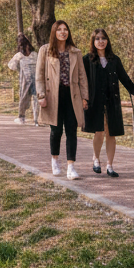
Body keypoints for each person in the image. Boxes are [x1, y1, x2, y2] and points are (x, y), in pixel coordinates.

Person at [36, 21, 89, 179]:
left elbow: (82, 76)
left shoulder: (75, 52)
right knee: (56, 130)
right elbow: (39, 75)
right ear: (54, 32)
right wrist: (41, 95)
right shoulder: (45, 50)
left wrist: (85, 97)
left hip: (72, 96)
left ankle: (71, 166)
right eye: (59, 30)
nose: (63, 32)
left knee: (71, 130)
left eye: (65, 29)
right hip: (53, 96)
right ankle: (55, 160)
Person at [82, 29, 134, 177]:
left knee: (111, 133)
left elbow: (125, 79)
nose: (101, 41)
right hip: (95, 102)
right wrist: (83, 98)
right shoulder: (87, 60)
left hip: (112, 102)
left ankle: (110, 166)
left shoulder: (114, 60)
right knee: (99, 131)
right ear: (93, 41)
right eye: (97, 38)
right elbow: (82, 81)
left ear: (107, 41)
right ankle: (96, 159)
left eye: (104, 38)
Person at [8, 35, 39, 126]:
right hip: (36, 78)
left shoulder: (19, 55)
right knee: (36, 98)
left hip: (25, 79)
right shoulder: (35, 54)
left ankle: (22, 117)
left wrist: (19, 68)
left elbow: (11, 66)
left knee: (23, 98)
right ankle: (36, 119)